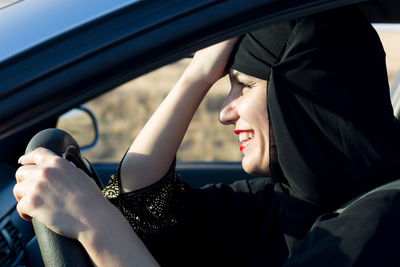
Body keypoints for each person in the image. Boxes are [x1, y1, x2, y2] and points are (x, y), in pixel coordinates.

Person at [13, 5, 400, 267]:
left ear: (302, 98)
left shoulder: (377, 230)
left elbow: (115, 219)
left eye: (244, 86)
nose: (224, 113)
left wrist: (92, 223)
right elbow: (140, 208)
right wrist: (197, 74)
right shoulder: (289, 202)